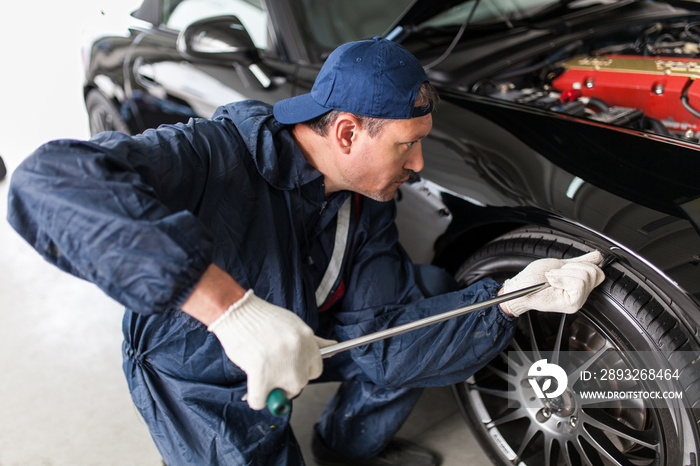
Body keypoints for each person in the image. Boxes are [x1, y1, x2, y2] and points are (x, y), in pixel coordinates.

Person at [7, 37, 604, 465]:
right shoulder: (211, 155)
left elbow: (389, 340)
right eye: (407, 147)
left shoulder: (366, 202)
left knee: (429, 296)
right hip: (200, 366)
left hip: (305, 326)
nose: (419, 166)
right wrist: (228, 309)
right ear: (346, 132)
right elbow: (49, 183)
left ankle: (344, 446)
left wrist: (507, 301)